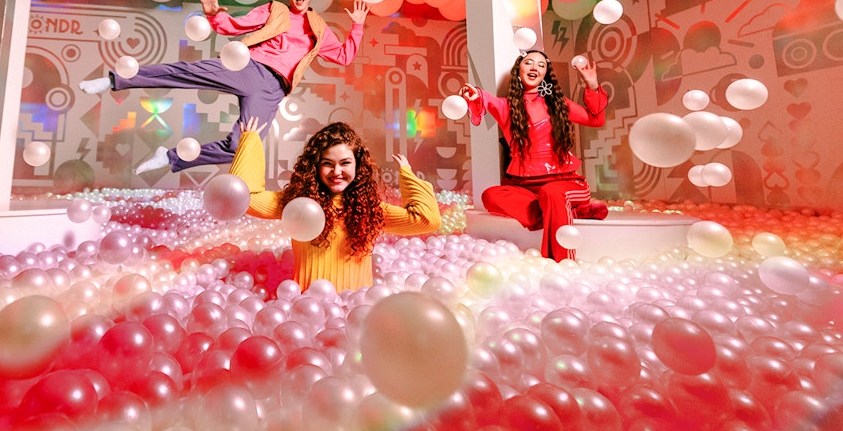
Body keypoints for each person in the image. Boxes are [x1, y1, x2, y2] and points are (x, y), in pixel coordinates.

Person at [79, 0, 370, 174]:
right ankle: (112, 81)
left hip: (273, 89)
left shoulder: (319, 29)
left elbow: (344, 56)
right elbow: (236, 25)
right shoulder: (275, 10)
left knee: (239, 146)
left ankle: (169, 158)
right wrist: (213, 13)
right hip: (248, 66)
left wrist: (357, 25)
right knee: (185, 72)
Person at [230, 116, 441, 292]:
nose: (337, 172)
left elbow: (427, 220)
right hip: (305, 313)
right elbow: (245, 197)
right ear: (315, 167)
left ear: (358, 165)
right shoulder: (297, 205)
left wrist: (407, 175)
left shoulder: (369, 210)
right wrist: (250, 142)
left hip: (354, 315)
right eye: (327, 164)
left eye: (345, 163)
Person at [460, 51, 608, 261]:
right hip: (526, 189)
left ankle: (562, 262)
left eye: (541, 65)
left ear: (545, 74)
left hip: (566, 185)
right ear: (518, 71)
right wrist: (475, 94)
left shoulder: (559, 104)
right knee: (490, 196)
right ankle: (566, 213)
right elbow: (486, 100)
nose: (534, 67)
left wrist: (592, 84)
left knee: (551, 193)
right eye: (528, 63)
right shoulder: (507, 106)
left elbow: (596, 120)